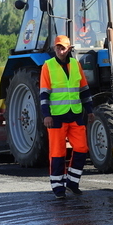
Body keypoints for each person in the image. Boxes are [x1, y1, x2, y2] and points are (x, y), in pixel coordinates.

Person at [40, 35, 94, 199]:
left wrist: (89, 110)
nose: (60, 50)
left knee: (82, 149)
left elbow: (84, 89)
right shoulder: (48, 66)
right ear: (54, 48)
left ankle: (72, 182)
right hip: (56, 117)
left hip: (75, 115)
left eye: (63, 48)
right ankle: (58, 187)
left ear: (69, 49)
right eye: (57, 47)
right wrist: (46, 115)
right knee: (57, 153)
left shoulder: (76, 65)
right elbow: (44, 93)